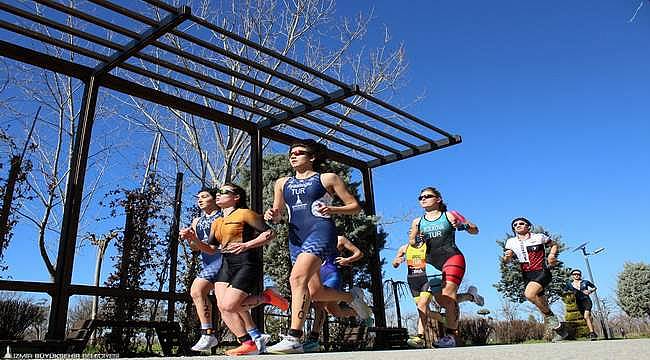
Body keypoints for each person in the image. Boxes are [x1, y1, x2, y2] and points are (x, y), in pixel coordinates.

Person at [264, 139, 370, 354]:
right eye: (291, 153)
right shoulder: (282, 183)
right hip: (296, 238)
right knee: (314, 291)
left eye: (299, 152)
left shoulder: (327, 178)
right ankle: (352, 297)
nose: (293, 156)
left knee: (296, 279)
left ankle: (294, 337)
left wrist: (333, 210)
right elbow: (278, 213)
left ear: (312, 157)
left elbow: (355, 207)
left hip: (321, 231)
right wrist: (272, 214)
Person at [210, 183, 288, 356]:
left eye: (224, 192)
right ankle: (247, 343)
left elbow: (269, 233)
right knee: (223, 308)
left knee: (229, 306)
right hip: (226, 264)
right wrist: (192, 239)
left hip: (246, 262)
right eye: (218, 192)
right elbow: (211, 248)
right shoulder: (216, 222)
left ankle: (266, 298)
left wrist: (247, 245)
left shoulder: (245, 213)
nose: (218, 194)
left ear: (236, 197)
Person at [408, 187, 479, 348]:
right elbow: (412, 241)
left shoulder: (450, 215)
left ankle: (452, 336)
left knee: (448, 295)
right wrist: (416, 239)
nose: (423, 199)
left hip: (452, 257)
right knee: (442, 302)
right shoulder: (417, 222)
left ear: (438, 199)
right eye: (420, 197)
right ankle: (469, 296)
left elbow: (475, 230)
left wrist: (464, 225)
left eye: (427, 196)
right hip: (432, 263)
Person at [393, 236, 484, 348]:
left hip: (428, 278)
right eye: (410, 232)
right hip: (413, 281)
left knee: (423, 305)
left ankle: (419, 338)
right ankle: (469, 297)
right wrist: (397, 261)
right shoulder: (404, 248)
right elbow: (395, 263)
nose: (412, 235)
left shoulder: (428, 246)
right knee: (434, 305)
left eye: (415, 232)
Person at [503, 217, 564, 338]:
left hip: (541, 271)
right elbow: (507, 261)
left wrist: (551, 255)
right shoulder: (511, 242)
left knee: (529, 294)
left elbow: (554, 245)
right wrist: (507, 257)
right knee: (541, 302)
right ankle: (560, 332)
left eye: (521, 223)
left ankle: (550, 316)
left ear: (528, 226)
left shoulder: (539, 237)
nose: (518, 225)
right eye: (515, 225)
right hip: (526, 274)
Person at [303, 235, 365, 353]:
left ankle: (313, 340)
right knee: (335, 312)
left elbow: (359, 253)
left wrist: (347, 260)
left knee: (319, 305)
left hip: (332, 276)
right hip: (319, 277)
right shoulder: (314, 238)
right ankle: (362, 313)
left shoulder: (339, 239)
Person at [178, 187, 222, 351]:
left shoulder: (223, 216)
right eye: (198, 197)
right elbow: (195, 248)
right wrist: (188, 237)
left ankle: (207, 334)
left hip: (223, 259)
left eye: (204, 196)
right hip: (207, 262)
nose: (200, 199)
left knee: (197, 290)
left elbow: (215, 246)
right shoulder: (196, 221)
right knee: (227, 305)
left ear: (214, 199)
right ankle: (265, 299)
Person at [565, 269, 598, 339]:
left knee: (586, 316)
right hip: (578, 302)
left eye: (578, 274)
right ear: (572, 276)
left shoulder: (585, 282)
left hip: (586, 301)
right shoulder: (569, 284)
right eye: (575, 274)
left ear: (580, 275)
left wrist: (590, 291)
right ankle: (590, 332)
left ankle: (592, 333)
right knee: (585, 318)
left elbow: (595, 287)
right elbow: (565, 292)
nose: (576, 275)